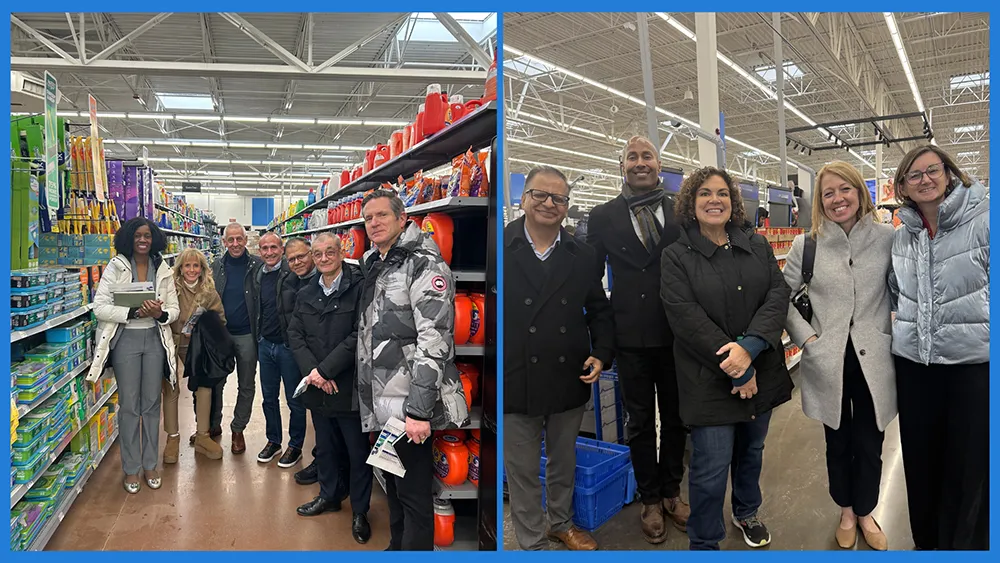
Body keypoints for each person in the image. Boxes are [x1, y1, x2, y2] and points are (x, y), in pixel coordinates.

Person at [659, 167, 793, 550]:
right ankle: (704, 541)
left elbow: (776, 296)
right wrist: (736, 367)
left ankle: (746, 511)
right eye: (704, 193)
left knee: (752, 451)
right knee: (710, 466)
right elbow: (686, 318)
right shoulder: (676, 256)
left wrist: (748, 352)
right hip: (708, 379)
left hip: (760, 372)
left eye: (722, 193)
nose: (714, 200)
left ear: (733, 202)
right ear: (690, 202)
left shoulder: (758, 245)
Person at [781, 162, 895, 550]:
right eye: (828, 193)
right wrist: (807, 338)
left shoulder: (886, 238)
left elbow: (901, 289)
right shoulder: (806, 244)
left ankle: (866, 511)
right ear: (819, 201)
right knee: (837, 439)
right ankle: (845, 509)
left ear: (860, 192)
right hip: (827, 358)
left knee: (870, 440)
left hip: (874, 358)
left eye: (844, 189)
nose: (837, 199)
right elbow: (782, 298)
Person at [504, 167, 615, 551]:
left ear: (567, 207)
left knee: (562, 460)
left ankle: (561, 522)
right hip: (514, 375)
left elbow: (599, 310)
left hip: (569, 372)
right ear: (524, 198)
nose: (549, 203)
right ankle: (532, 540)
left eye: (559, 198)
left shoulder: (582, 255)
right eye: (540, 195)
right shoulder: (498, 246)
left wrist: (602, 354)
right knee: (520, 468)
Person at [586, 135, 688, 543]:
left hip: (679, 332)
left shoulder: (681, 210)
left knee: (679, 418)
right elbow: (591, 279)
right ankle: (649, 498)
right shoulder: (603, 216)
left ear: (659, 166)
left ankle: (671, 490)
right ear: (622, 166)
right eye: (633, 156)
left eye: (647, 156)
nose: (640, 162)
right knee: (640, 421)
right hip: (630, 336)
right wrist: (599, 337)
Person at [888, 145, 989, 551]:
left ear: (949, 173)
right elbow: (896, 295)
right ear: (904, 187)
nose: (925, 179)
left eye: (933, 170)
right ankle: (926, 542)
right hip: (915, 368)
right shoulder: (901, 237)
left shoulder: (984, 221)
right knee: (921, 462)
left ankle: (963, 546)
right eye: (914, 175)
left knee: (968, 467)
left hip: (970, 366)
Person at [356, 189, 468, 551]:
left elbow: (434, 341)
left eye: (382, 216)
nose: (374, 223)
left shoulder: (424, 265)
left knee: (415, 492)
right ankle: (398, 545)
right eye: (368, 217)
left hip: (409, 404)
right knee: (393, 480)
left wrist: (418, 411)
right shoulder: (378, 261)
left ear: (403, 218)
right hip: (385, 398)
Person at [288, 233, 372, 544]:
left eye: (330, 252)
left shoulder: (359, 286)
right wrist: (313, 372)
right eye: (318, 253)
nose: (324, 258)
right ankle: (329, 495)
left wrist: (325, 370)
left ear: (341, 253)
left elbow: (359, 333)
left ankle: (360, 511)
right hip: (317, 386)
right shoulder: (306, 291)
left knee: (356, 451)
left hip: (347, 385)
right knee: (324, 447)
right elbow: (295, 333)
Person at [87, 217, 179, 493]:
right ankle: (131, 469)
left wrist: (160, 313)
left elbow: (174, 309)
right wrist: (131, 313)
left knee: (151, 404)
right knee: (129, 406)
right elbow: (99, 306)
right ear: (129, 238)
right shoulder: (116, 266)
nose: (143, 240)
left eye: (148, 235)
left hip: (154, 338)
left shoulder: (163, 268)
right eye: (138, 235)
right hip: (125, 339)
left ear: (154, 239)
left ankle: (150, 464)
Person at [279, 237, 349, 487]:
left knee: (336, 426)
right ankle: (324, 468)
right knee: (317, 415)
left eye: (302, 256)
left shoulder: (337, 283)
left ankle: (333, 472)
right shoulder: (290, 281)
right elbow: (294, 328)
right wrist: (311, 368)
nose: (297, 262)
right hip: (304, 358)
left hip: (335, 366)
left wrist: (324, 369)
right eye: (292, 259)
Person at [253, 232, 305, 468]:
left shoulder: (293, 272)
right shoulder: (257, 275)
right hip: (265, 345)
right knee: (268, 399)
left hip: (287, 347)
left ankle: (295, 446)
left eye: (274, 247)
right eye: (264, 248)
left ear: (282, 249)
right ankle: (273, 441)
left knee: (295, 400)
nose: (269, 252)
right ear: (259, 251)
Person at [170, 248, 228, 460]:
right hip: (171, 343)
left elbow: (220, 320)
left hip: (197, 346)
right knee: (170, 388)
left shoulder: (209, 291)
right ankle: (172, 438)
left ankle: (203, 435)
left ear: (202, 269)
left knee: (203, 387)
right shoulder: (170, 287)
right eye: (187, 265)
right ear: (180, 268)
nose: (192, 270)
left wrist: (204, 328)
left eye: (196, 266)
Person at [210, 222, 262, 455]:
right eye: (230, 240)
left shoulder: (258, 266)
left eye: (239, 239)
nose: (235, 244)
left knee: (247, 384)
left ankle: (238, 429)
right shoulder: (215, 267)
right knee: (215, 383)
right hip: (220, 335)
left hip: (247, 334)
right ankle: (213, 423)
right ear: (224, 242)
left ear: (245, 240)